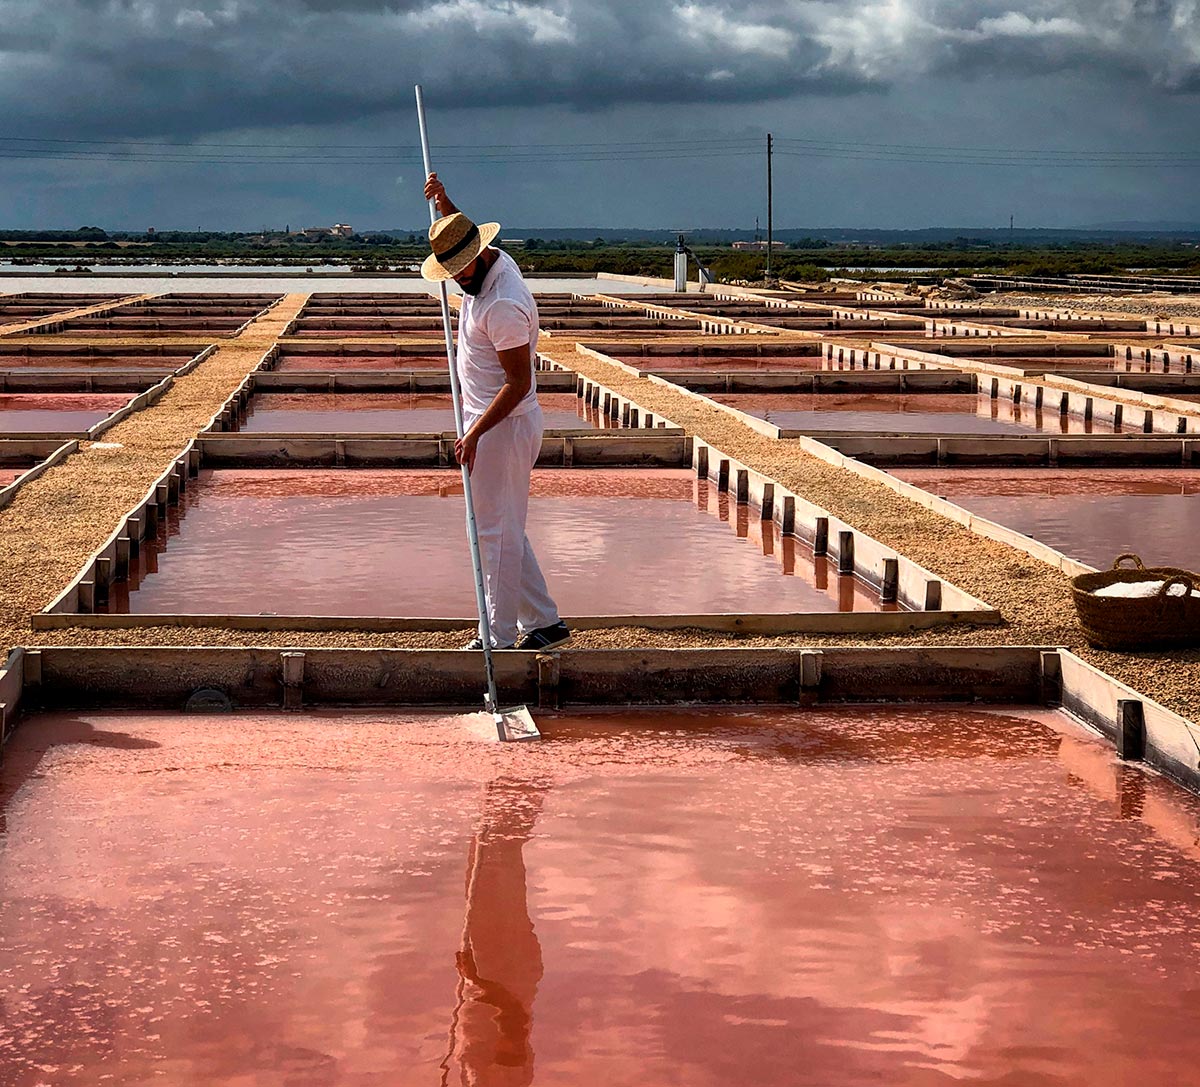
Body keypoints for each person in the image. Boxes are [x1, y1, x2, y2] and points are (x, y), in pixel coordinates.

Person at [422, 172, 570, 652]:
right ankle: (544, 622)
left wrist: (475, 434)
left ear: (480, 257)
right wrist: (446, 206)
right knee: (504, 529)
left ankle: (498, 637)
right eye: (453, 271)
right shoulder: (493, 262)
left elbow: (518, 382)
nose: (459, 280)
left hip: (502, 428)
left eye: (462, 271)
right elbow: (460, 235)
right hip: (487, 423)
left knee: (492, 536)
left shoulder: (503, 304)